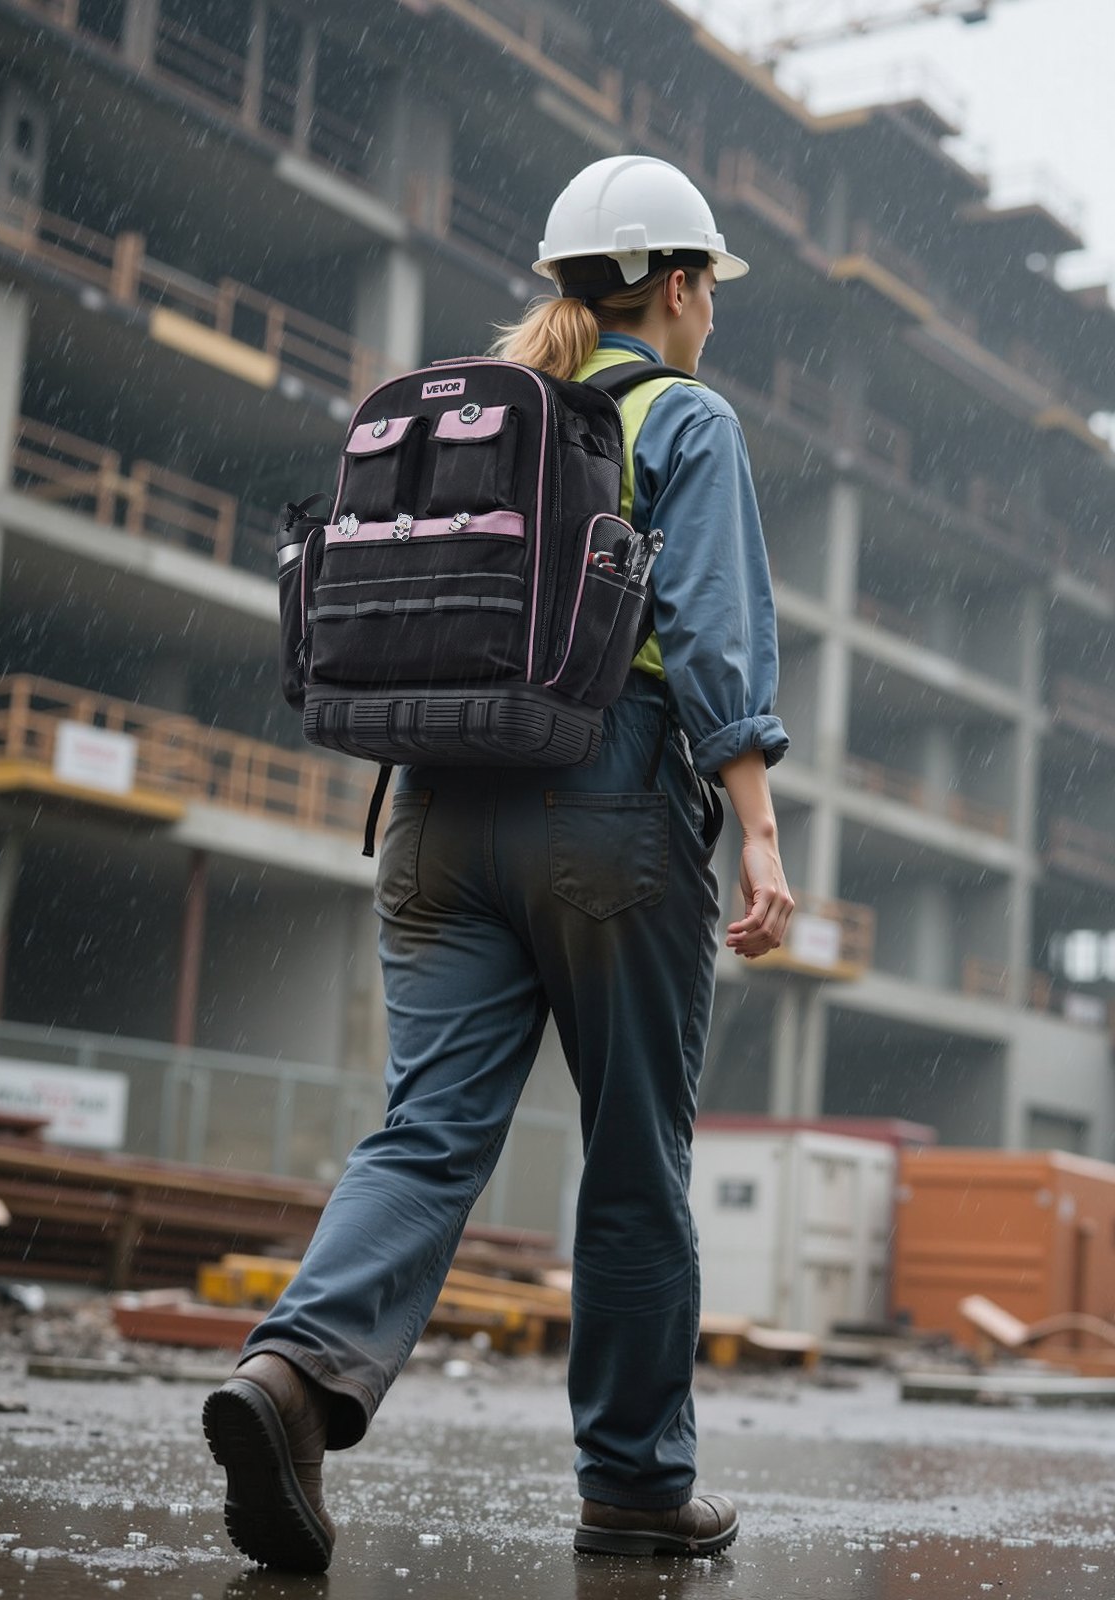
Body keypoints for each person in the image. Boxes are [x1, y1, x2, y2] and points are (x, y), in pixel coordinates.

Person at [203, 154, 793, 1572]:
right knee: (634, 1155)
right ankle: (636, 1484)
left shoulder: (475, 413)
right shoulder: (683, 418)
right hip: (609, 808)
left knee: (425, 1130)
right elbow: (713, 636)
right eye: (709, 286)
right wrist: (761, 824)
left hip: (433, 811)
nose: (713, 313)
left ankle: (291, 1378)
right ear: (677, 282)